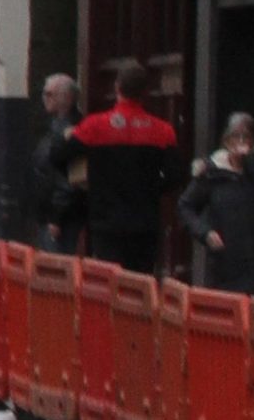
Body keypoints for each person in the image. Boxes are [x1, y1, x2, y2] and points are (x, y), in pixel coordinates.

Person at [54, 59, 176, 273]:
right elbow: (175, 176)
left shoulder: (94, 126)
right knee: (141, 285)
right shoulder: (163, 131)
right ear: (145, 91)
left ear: (117, 87)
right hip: (145, 223)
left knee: (109, 283)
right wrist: (152, 190)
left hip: (105, 222)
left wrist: (84, 185)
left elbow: (58, 157)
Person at [178, 111, 254, 303]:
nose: (239, 142)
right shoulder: (212, 173)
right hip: (227, 268)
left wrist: (252, 162)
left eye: (245, 136)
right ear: (225, 141)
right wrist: (205, 232)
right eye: (234, 137)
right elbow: (185, 206)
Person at [32, 72, 86, 252]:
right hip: (47, 213)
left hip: (60, 219)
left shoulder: (70, 131)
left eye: (50, 94)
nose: (44, 99)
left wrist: (56, 218)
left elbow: (68, 180)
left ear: (67, 98)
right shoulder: (55, 126)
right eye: (44, 93)